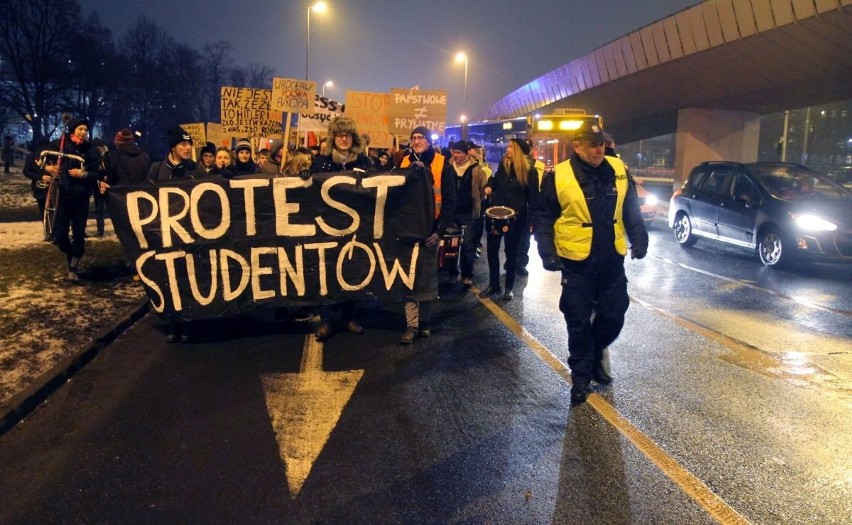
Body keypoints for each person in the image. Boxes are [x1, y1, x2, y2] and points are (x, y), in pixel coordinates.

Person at [534, 121, 648, 404]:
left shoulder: (618, 170)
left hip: (611, 257)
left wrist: (639, 238)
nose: (599, 150)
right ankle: (581, 377)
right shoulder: (558, 175)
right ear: (577, 146)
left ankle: (596, 350)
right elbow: (545, 217)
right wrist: (547, 252)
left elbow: (630, 208)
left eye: (602, 145)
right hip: (576, 261)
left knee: (615, 312)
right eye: (593, 145)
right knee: (577, 319)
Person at [309, 116, 373, 341]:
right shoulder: (320, 162)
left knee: (351, 270)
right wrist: (305, 178)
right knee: (327, 271)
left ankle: (348, 318)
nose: (343, 139)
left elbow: (377, 185)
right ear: (333, 137)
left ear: (353, 138)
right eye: (339, 135)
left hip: (355, 227)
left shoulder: (364, 162)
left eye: (347, 135)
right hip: (327, 225)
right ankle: (327, 320)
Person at [395, 126, 457, 343]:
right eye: (413, 137)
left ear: (429, 141)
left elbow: (450, 201)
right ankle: (411, 325)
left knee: (428, 277)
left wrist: (439, 232)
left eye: (421, 137)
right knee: (409, 277)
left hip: (431, 229)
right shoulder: (402, 161)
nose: (417, 140)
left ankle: (425, 321)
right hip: (409, 228)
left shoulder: (442, 164)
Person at [146, 126, 197, 342]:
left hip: (189, 236)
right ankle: (171, 324)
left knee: (187, 280)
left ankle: (186, 323)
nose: (187, 148)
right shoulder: (157, 170)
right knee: (167, 280)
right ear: (173, 147)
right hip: (164, 236)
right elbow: (142, 197)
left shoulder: (195, 169)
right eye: (183, 144)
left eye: (189, 144)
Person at [40, 117, 102, 282]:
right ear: (73, 130)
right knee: (59, 235)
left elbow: (99, 173)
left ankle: (73, 268)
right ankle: (69, 253)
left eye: (85, 130)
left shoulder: (90, 150)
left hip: (81, 197)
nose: (83, 133)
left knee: (79, 233)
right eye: (80, 129)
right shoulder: (60, 144)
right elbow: (36, 158)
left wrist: (84, 174)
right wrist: (47, 168)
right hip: (63, 196)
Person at [479, 138, 535, 301]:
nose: (507, 148)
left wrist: (532, 221)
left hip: (517, 217)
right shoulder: (504, 165)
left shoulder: (530, 170)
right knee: (492, 250)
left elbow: (533, 197)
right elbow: (495, 180)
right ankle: (493, 285)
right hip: (496, 214)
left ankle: (509, 287)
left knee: (512, 253)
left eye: (510, 146)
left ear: (518, 150)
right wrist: (489, 186)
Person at [447, 140, 488, 287]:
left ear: (466, 153)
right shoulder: (449, 167)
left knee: (467, 245)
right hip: (450, 212)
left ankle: (467, 275)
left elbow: (483, 189)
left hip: (468, 213)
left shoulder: (477, 169)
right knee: (450, 245)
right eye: (454, 152)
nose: (455, 155)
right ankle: (452, 272)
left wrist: (477, 200)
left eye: (458, 152)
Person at [515, 139, 546, 276]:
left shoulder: (539, 166)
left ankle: (521, 263)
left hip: (531, 206)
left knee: (525, 238)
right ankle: (513, 260)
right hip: (518, 206)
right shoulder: (512, 165)